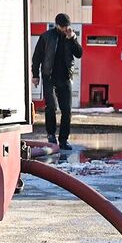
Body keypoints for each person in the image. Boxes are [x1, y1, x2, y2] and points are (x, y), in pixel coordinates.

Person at [31, 13, 82, 149]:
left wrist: (73, 39)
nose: (66, 29)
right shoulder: (46, 37)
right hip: (49, 77)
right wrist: (35, 75)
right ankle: (51, 135)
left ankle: (64, 140)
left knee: (66, 110)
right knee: (51, 107)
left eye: (67, 26)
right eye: (63, 26)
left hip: (65, 78)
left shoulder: (70, 37)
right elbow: (37, 58)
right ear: (57, 25)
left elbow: (79, 54)